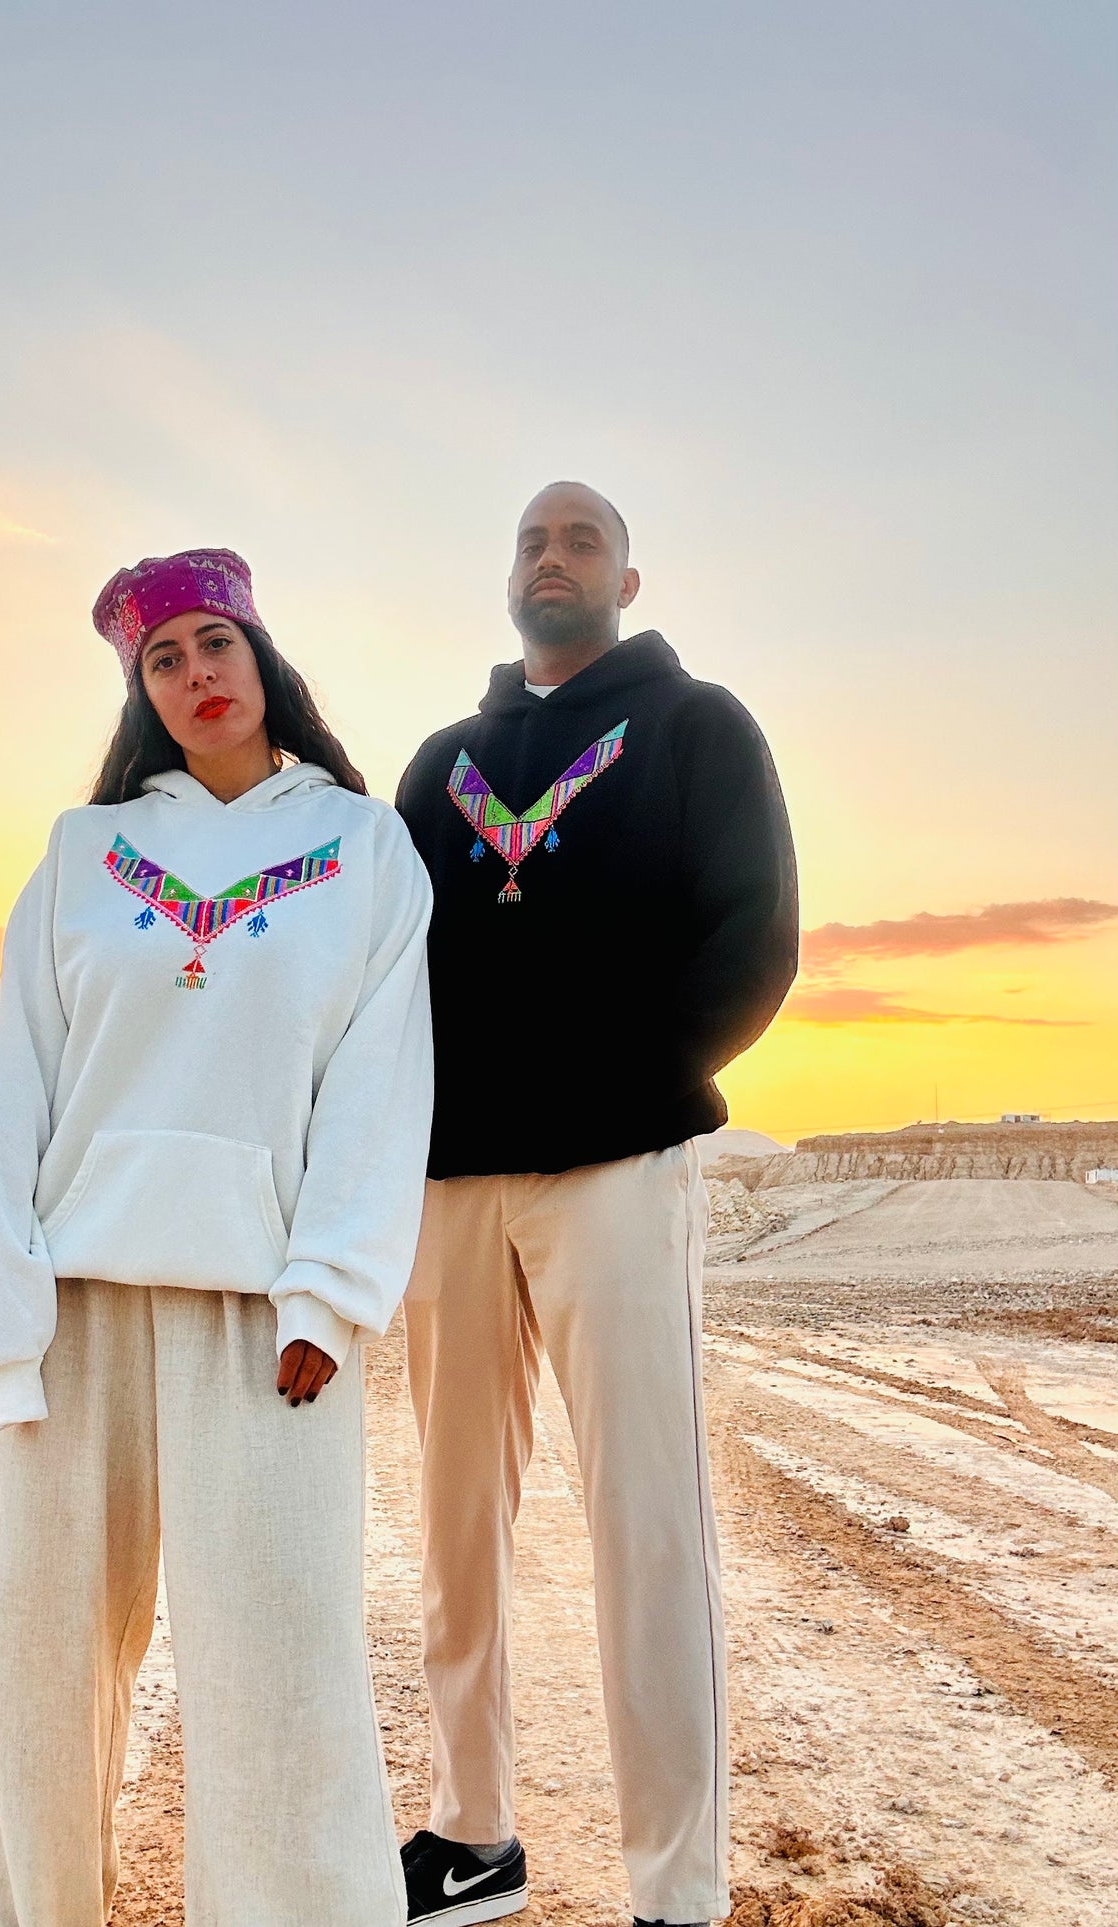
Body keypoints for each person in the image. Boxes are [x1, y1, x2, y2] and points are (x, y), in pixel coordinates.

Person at [0, 548, 434, 1927]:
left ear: (260, 655)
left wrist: (328, 1292)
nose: (196, 674)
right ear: (141, 691)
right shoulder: (83, 854)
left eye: (214, 642)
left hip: (262, 1313)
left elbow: (379, 1080)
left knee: (279, 1653)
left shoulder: (362, 847)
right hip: (74, 1303)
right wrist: (1, 1323)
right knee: (41, 1648)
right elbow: (11, 1086)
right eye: (163, 659)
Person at [394, 484, 798, 1927]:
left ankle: (676, 1890)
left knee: (646, 1524)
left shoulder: (698, 726)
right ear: (506, 574)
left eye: (580, 540)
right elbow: (384, 967)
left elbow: (754, 939)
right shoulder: (439, 765)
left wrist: (632, 1094)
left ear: (627, 576)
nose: (551, 557)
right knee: (454, 1525)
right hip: (450, 1185)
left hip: (618, 1172)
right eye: (530, 539)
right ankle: (472, 1835)